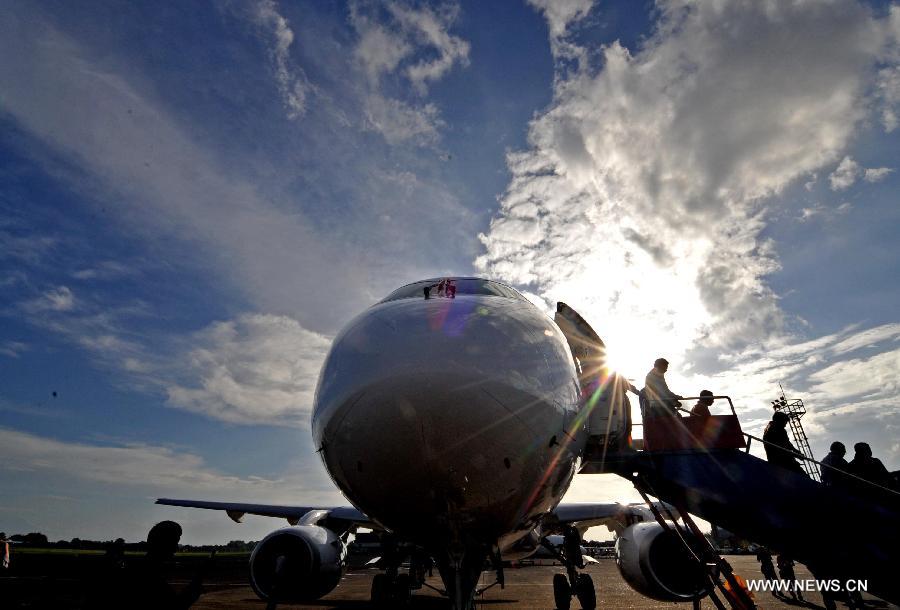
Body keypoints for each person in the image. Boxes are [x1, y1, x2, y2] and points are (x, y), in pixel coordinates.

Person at [125, 521, 206, 610]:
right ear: (163, 543)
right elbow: (176, 605)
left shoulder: (136, 570)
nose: (176, 548)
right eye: (174, 542)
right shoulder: (149, 576)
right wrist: (198, 580)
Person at [762, 412, 807, 476]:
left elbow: (788, 444)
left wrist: (796, 451)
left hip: (785, 460)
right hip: (781, 462)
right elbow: (781, 449)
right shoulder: (773, 431)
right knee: (803, 477)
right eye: (784, 422)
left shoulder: (779, 430)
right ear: (779, 421)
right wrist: (796, 455)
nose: (785, 425)